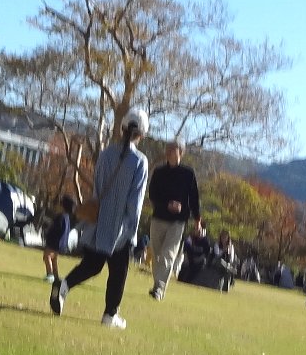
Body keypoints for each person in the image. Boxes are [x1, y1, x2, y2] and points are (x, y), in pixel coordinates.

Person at [50, 108, 149, 329]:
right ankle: (110, 314)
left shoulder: (106, 154)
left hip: (98, 219)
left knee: (92, 265)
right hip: (121, 225)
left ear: (122, 128)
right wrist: (132, 231)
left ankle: (64, 285)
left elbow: (97, 188)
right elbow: (135, 202)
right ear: (141, 134)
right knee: (119, 271)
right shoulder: (140, 161)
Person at [146, 137, 201, 301]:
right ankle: (157, 285)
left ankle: (159, 288)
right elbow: (152, 195)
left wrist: (197, 220)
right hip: (158, 218)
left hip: (178, 222)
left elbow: (194, 198)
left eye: (173, 149)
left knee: (168, 255)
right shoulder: (159, 172)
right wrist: (166, 204)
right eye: (168, 148)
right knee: (156, 255)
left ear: (181, 152)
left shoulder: (188, 173)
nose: (169, 151)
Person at [42, 195, 75, 283]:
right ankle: (56, 276)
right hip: (61, 243)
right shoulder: (67, 217)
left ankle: (50, 274)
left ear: (62, 206)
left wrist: (48, 232)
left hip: (54, 241)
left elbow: (56, 229)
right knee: (54, 259)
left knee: (47, 256)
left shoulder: (60, 217)